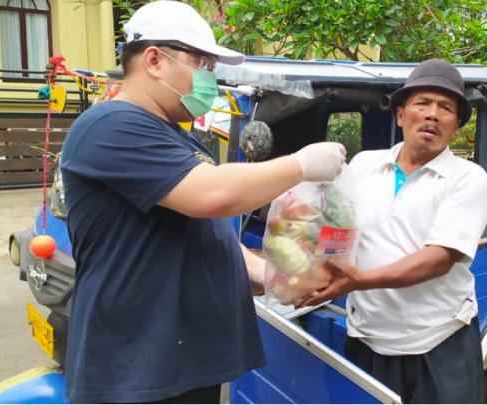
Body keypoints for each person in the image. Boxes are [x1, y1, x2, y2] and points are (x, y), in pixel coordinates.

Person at [59, 1, 346, 403]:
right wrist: (300, 165)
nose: (210, 78)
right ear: (155, 60)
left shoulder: (174, 134)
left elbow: (202, 231)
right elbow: (212, 196)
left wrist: (271, 275)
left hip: (181, 364)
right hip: (136, 371)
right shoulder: (112, 125)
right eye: (202, 64)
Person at [301, 59, 487, 403]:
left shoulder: (467, 178)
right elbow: (336, 229)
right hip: (368, 338)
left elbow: (438, 259)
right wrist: (305, 267)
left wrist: (356, 280)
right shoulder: (363, 165)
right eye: (423, 103)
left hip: (438, 341)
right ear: (401, 114)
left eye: (445, 108)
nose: (433, 114)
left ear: (457, 126)